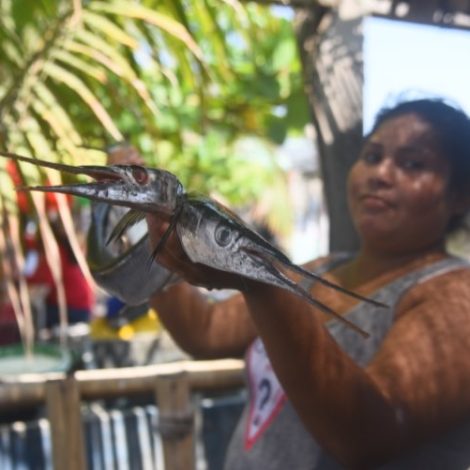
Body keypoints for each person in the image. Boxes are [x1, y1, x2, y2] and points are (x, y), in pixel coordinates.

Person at [100, 98, 470, 469]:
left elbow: (366, 435)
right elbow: (204, 330)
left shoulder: (457, 296)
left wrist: (256, 274)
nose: (381, 174)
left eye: (413, 164)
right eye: (372, 156)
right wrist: (153, 232)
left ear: (459, 197)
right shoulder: (325, 269)